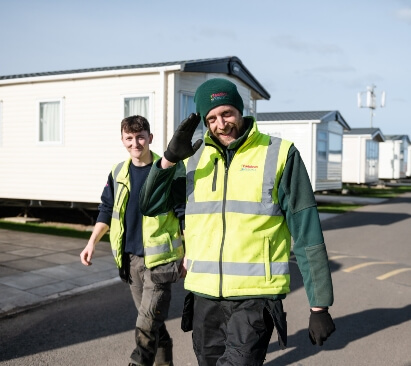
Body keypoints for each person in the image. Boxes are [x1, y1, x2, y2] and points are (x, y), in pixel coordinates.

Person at [140, 78, 336, 365]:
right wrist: (169, 159)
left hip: (255, 299)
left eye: (227, 113)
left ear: (240, 110)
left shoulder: (279, 154)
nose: (221, 124)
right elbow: (151, 205)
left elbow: (307, 232)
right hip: (204, 297)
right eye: (211, 118)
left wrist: (319, 306)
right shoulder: (193, 160)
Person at [80, 115, 185, 366]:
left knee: (146, 324)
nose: (135, 143)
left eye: (140, 137)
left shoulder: (169, 168)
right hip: (131, 260)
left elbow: (183, 212)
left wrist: (188, 254)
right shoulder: (118, 172)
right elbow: (107, 209)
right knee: (152, 323)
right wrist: (91, 242)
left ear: (150, 138)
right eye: (129, 138)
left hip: (160, 261)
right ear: (122, 140)